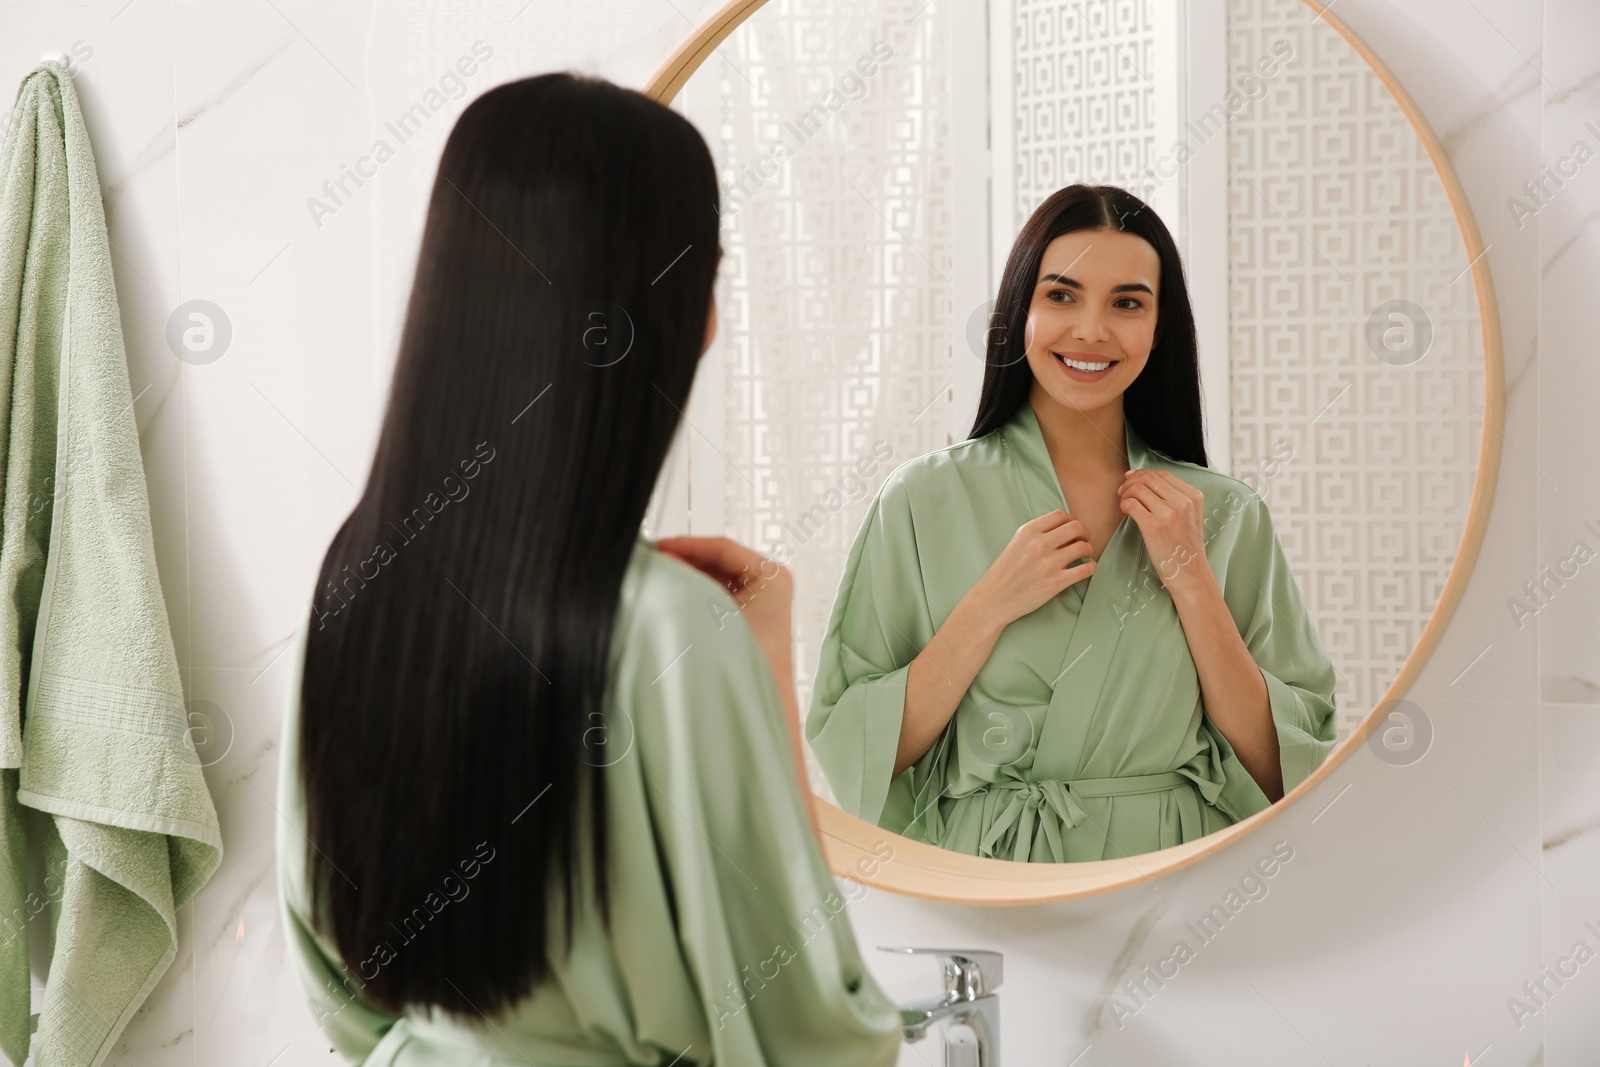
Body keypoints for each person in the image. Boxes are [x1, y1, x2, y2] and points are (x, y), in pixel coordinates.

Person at [277, 72, 904, 1065]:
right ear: (677, 316)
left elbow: (335, 987)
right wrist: (765, 656)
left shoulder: (359, 574)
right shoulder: (665, 632)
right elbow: (809, 1034)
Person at [807, 184, 1339, 864]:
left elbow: (1286, 764)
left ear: (1160, 324)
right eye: (1061, 295)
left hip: (1171, 876)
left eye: (1127, 302)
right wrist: (988, 606)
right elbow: (856, 744)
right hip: (992, 876)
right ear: (1018, 310)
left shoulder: (1225, 513)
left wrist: (1193, 581)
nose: (1091, 329)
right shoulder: (922, 498)